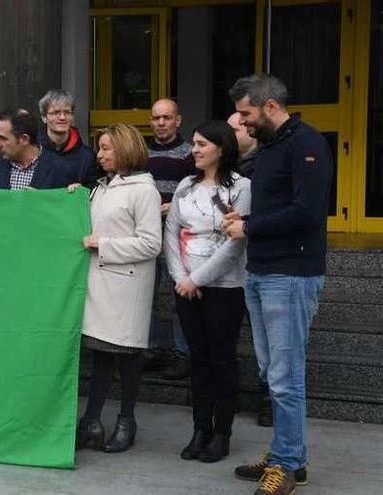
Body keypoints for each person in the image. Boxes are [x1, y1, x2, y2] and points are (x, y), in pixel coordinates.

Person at [223, 74, 331, 495]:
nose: (243, 123)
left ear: (270, 107)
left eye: (247, 114)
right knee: (273, 372)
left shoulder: (307, 144)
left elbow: (305, 213)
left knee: (285, 375)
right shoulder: (268, 147)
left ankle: (286, 464)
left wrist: (248, 226)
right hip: (263, 271)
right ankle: (290, 454)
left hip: (291, 274)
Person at [164, 120, 251, 463]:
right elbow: (171, 234)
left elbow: (234, 246)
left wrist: (197, 279)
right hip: (185, 288)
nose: (195, 150)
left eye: (201, 144)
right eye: (194, 144)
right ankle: (200, 428)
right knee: (197, 360)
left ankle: (222, 433)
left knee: (222, 359)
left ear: (221, 147)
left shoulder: (240, 187)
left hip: (224, 289)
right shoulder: (186, 186)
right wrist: (181, 278)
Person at [74, 123, 161, 454]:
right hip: (100, 282)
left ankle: (127, 421)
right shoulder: (101, 187)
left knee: (126, 355)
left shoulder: (144, 190)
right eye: (100, 148)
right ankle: (92, 422)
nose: (100, 154)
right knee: (100, 354)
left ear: (125, 149)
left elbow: (151, 243)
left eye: (106, 148)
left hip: (126, 285)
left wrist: (104, 244)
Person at [228, 111, 272, 429]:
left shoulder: (266, 164)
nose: (233, 132)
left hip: (261, 259)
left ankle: (269, 396)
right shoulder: (225, 168)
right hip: (231, 261)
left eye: (236, 126)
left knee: (266, 335)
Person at [145, 98, 195, 380]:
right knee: (145, 295)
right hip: (147, 232)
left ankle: (182, 353)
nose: (161, 123)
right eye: (156, 118)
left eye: (167, 117)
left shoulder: (191, 153)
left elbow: (199, 192)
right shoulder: (140, 152)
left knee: (180, 297)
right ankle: (151, 349)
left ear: (178, 120)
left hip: (178, 235)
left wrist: (173, 206)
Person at [0, 109, 87, 189]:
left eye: (3, 138)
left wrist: (40, 201)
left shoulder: (60, 169)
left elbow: (64, 210)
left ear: (24, 139)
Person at [37, 89, 100, 186]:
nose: (62, 117)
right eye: (56, 112)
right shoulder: (34, 151)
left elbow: (91, 194)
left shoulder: (87, 157)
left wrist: (81, 189)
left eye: (67, 112)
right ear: (44, 117)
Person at [228, 112, 259, 179]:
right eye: (227, 131)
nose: (228, 135)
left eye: (234, 130)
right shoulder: (224, 159)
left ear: (250, 131)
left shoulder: (263, 163)